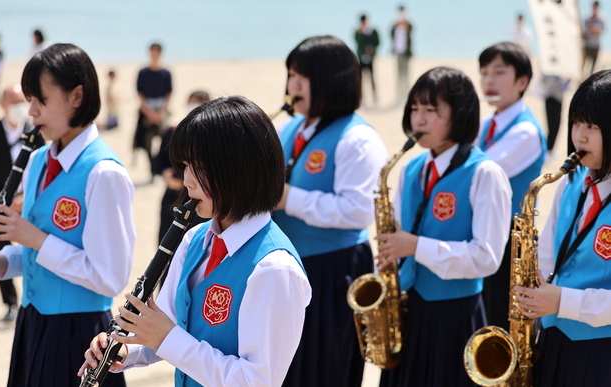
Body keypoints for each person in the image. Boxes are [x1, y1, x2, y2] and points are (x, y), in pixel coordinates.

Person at [79, 95, 312, 387]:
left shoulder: (275, 269)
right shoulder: (193, 240)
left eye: (198, 168)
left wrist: (167, 337)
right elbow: (171, 327)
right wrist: (127, 350)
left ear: (239, 171)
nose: (186, 179)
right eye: (185, 165)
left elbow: (258, 381)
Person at [0, 43, 135, 387]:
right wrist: (3, 262)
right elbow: (36, 248)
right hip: (32, 323)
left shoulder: (104, 173)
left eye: (40, 100)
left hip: (80, 335)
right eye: (29, 100)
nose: (32, 111)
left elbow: (111, 278)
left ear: (76, 96)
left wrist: (33, 238)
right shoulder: (38, 160)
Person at [376, 66, 512, 387]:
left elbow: (487, 258)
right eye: (414, 109)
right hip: (407, 312)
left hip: (456, 317)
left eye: (431, 110)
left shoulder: (485, 174)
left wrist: (414, 247)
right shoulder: (411, 168)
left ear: (461, 114)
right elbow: (398, 233)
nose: (418, 120)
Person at [273, 35, 387, 387]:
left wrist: (287, 197)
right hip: (290, 267)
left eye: (301, 77)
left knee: (325, 369)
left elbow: (356, 211)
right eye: (290, 75)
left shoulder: (358, 139)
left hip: (333, 270)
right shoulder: (291, 126)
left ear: (330, 81)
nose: (292, 86)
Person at [516, 69, 611, 387]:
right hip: (553, 336)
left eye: (592, 126)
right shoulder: (570, 180)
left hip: (600, 351)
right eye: (576, 123)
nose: (579, 136)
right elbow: (546, 251)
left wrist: (561, 301)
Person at [477, 42, 546, 330]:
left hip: (511, 242)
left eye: (499, 72)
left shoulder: (526, 131)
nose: (488, 80)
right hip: (488, 234)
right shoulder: (486, 124)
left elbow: (477, 172)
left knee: (500, 323)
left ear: (522, 82)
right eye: (483, 72)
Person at [0, 85, 46, 321]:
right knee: (0, 250)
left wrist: (25, 198)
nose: (19, 107)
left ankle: (34, 295)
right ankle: (11, 303)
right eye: (13, 101)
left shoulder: (36, 132)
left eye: (21, 101)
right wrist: (6, 201)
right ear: (1, 104)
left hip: (30, 201)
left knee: (33, 247)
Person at [153, 90, 210, 244]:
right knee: (166, 239)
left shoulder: (211, 139)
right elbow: (158, 162)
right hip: (172, 194)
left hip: (199, 196)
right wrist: (167, 176)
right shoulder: (172, 131)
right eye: (191, 102)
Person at [133, 43, 172, 181]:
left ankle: (161, 168)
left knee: (166, 139)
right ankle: (152, 171)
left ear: (160, 54)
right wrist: (149, 113)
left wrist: (161, 112)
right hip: (146, 111)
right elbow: (139, 94)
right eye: (152, 53)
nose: (154, 56)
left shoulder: (166, 73)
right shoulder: (143, 72)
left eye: (156, 53)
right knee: (145, 143)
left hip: (162, 112)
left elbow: (169, 94)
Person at [355, 14, 380, 105]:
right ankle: (362, 98)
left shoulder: (372, 31)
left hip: (370, 58)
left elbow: (377, 41)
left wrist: (371, 48)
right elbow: (357, 41)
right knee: (360, 79)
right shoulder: (358, 32)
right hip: (361, 58)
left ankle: (375, 97)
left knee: (372, 78)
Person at [391, 5, 413, 103]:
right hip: (398, 52)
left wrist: (405, 25)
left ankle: (407, 95)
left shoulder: (408, 25)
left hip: (406, 53)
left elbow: (411, 31)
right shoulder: (395, 25)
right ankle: (399, 96)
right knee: (399, 74)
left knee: (406, 74)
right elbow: (391, 35)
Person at [583, 1, 605, 78]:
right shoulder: (588, 18)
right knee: (584, 64)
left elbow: (603, 29)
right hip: (588, 44)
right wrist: (593, 30)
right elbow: (586, 30)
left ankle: (591, 79)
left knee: (594, 65)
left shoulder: (601, 18)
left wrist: (595, 29)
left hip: (596, 44)